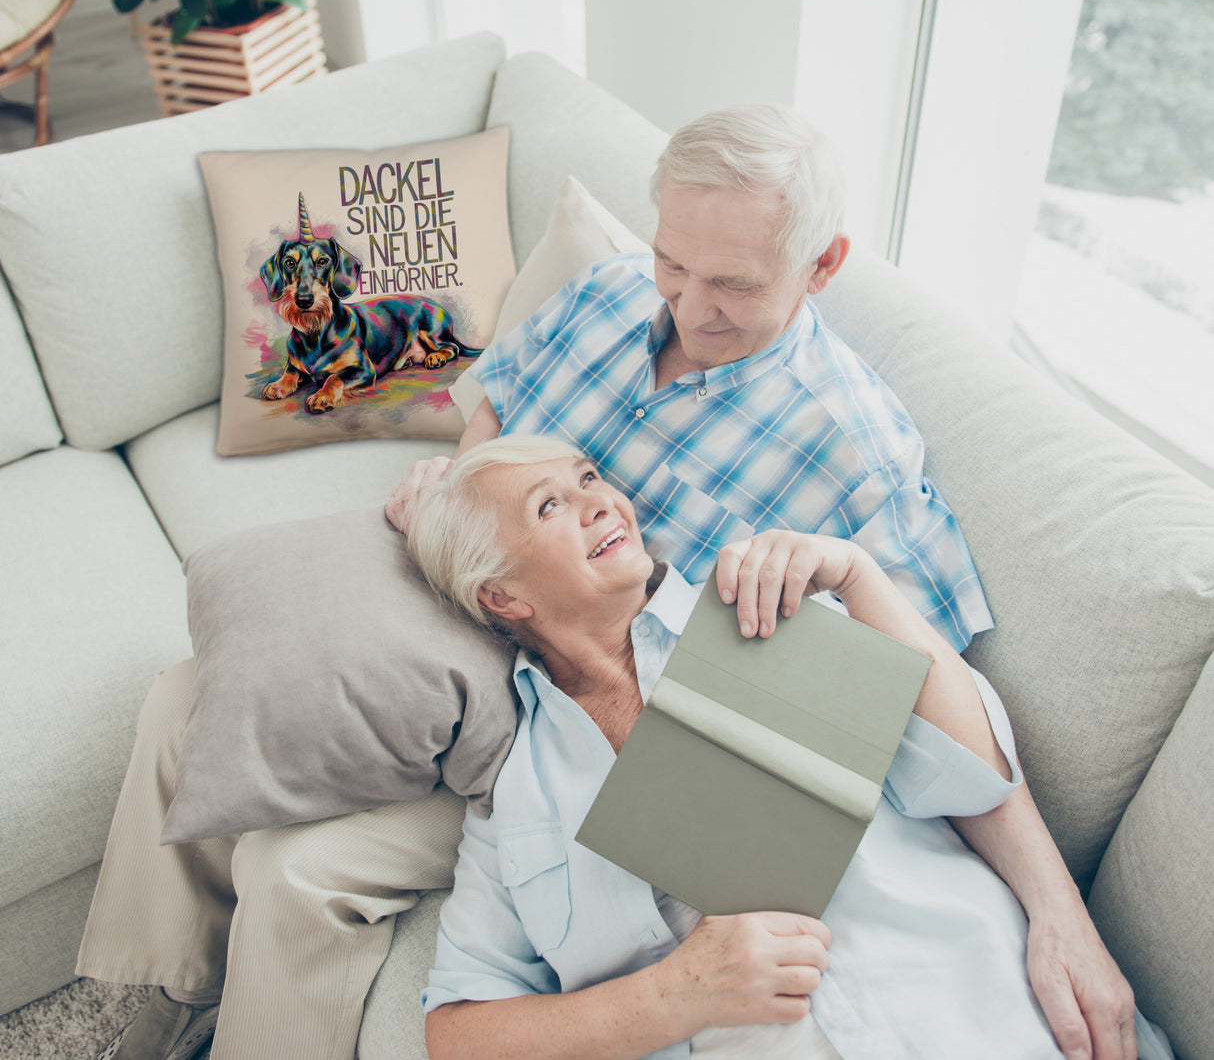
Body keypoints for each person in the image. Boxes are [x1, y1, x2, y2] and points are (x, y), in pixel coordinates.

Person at [389, 105, 1136, 1059]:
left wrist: (1058, 915)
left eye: (732, 284)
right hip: (492, 678)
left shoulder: (832, 504)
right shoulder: (607, 297)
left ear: (822, 266)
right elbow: (497, 404)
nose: (689, 308)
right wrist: (461, 501)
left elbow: (944, 731)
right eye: (674, 264)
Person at [407, 434, 1161, 1060]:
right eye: (551, 505)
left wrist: (859, 577)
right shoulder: (516, 797)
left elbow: (973, 775)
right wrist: (674, 995)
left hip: (985, 1014)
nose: (601, 501)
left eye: (589, 478)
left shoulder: (762, 608)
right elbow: (458, 1034)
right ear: (502, 596)